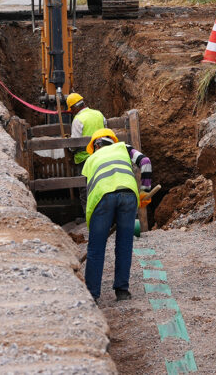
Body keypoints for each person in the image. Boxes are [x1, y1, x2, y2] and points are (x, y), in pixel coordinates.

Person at [82, 128, 153, 302]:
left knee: (96, 248)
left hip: (102, 198)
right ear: (112, 140)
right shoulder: (124, 148)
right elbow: (145, 161)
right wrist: (144, 191)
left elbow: (89, 193)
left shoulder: (90, 160)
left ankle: (92, 295)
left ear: (96, 145)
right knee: (124, 244)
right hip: (129, 195)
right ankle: (122, 291)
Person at [67, 92, 106, 164]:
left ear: (74, 108)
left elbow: (74, 144)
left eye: (72, 110)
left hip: (85, 158)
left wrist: (69, 147)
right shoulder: (99, 113)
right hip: (102, 155)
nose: (72, 112)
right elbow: (106, 131)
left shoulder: (78, 119)